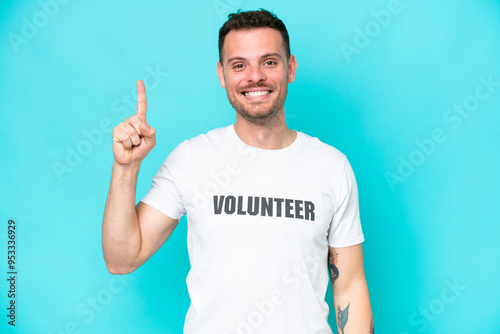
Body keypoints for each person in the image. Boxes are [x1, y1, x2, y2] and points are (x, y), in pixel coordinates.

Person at [102, 9, 374, 334]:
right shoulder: (192, 158)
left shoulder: (332, 166)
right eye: (239, 65)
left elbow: (350, 286)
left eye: (269, 62)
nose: (255, 76)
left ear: (291, 68)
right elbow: (121, 259)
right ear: (222, 74)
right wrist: (126, 168)